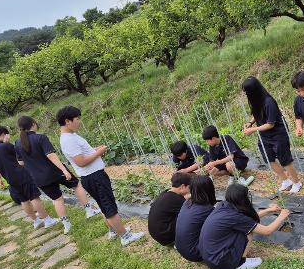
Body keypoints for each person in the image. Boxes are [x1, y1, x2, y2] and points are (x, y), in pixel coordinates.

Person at [57, 106, 145, 247]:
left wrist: (94, 150)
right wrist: (100, 152)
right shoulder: (68, 140)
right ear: (68, 121)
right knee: (108, 206)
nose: (79, 121)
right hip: (94, 177)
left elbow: (82, 155)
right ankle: (125, 236)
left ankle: (114, 230)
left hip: (92, 176)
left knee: (103, 205)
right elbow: (81, 162)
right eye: (77, 119)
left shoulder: (70, 136)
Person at [15, 115, 101, 234]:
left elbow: (21, 162)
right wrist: (64, 170)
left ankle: (66, 225)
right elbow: (51, 155)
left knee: (57, 199)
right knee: (76, 185)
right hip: (55, 171)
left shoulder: (18, 143)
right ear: (33, 124)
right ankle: (89, 210)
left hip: (39, 178)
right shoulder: (40, 137)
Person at [199, 183, 290, 269]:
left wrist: (268, 210)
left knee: (247, 227)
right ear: (243, 199)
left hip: (210, 258)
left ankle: (236, 258)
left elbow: (247, 221)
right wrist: (282, 216)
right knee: (248, 232)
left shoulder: (224, 205)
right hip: (222, 265)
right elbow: (267, 231)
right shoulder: (235, 216)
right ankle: (240, 264)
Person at [0, 126, 58, 230]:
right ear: (3, 134)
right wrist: (7, 143)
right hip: (22, 175)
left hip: (10, 179)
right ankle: (47, 220)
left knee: (23, 200)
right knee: (34, 197)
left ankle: (35, 221)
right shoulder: (6, 146)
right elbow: (20, 158)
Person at [242, 76, 302, 193]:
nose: (246, 94)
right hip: (264, 136)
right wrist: (250, 122)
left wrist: (253, 130)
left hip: (277, 134)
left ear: (253, 91)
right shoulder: (256, 100)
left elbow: (270, 124)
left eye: (246, 92)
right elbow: (257, 113)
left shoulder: (269, 102)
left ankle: (296, 182)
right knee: (269, 159)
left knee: (285, 160)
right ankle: (285, 180)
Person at [175, 175, 216, 262]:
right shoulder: (207, 209)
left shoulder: (187, 203)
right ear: (210, 189)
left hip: (180, 247)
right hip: (195, 253)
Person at [148, 172, 192, 246]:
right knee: (190, 215)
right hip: (166, 237)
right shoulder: (176, 200)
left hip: (158, 233)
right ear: (182, 186)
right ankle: (178, 242)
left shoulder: (166, 193)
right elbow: (191, 209)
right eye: (189, 187)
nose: (189, 190)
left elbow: (183, 198)